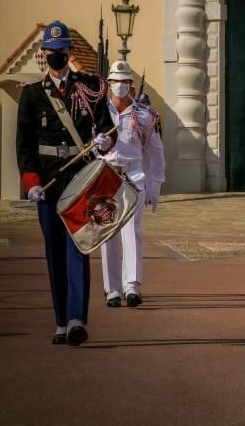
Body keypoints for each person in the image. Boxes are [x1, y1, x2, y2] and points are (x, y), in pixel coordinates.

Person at [16, 21, 114, 346]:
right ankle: (60, 321)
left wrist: (103, 141)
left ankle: (76, 320)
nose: (56, 57)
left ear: (69, 52)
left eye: (61, 52)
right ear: (44, 54)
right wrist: (30, 182)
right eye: (51, 52)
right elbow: (24, 143)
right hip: (47, 182)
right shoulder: (31, 94)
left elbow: (107, 127)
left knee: (79, 247)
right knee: (54, 252)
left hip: (80, 179)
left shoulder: (89, 87)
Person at [101, 60, 165, 307]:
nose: (120, 86)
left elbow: (155, 150)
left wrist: (155, 184)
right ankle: (112, 288)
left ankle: (132, 286)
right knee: (107, 231)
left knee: (132, 230)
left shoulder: (143, 114)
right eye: (115, 82)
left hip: (133, 175)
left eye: (125, 82)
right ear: (108, 84)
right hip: (105, 175)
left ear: (132, 85)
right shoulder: (100, 113)